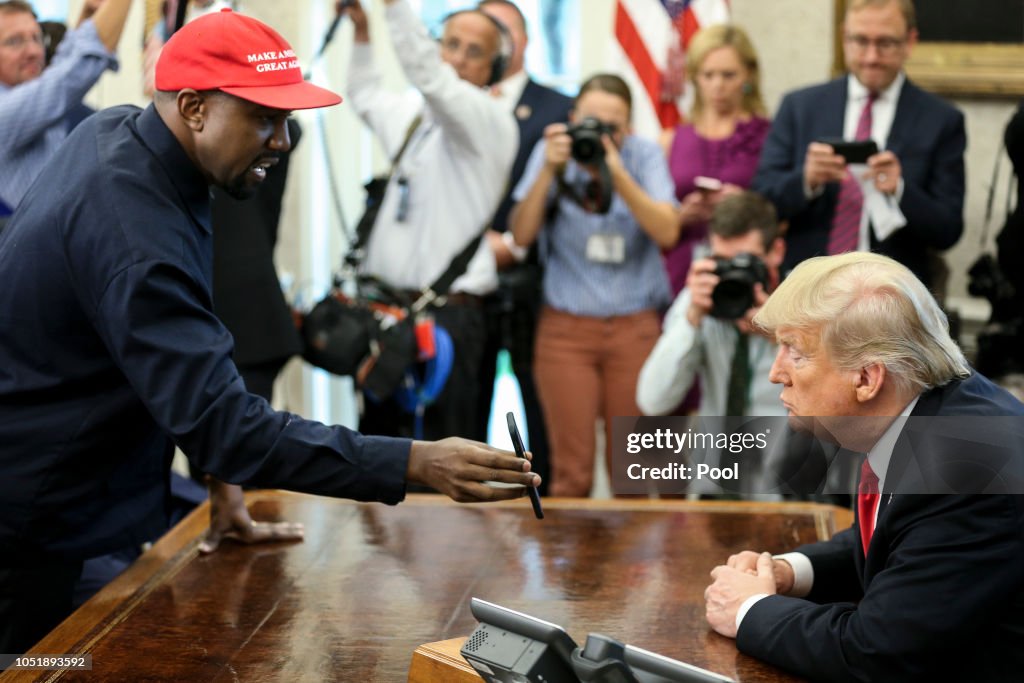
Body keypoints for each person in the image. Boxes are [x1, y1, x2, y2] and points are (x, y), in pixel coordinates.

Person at [0, 9, 539, 655]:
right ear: (195, 108)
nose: (282, 141)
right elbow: (225, 424)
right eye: (263, 117)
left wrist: (222, 482)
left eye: (285, 119)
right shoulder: (133, 235)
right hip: (29, 524)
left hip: (74, 493)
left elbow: (167, 352)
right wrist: (417, 460)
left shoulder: (120, 133)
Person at [703, 251, 1024, 681]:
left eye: (795, 353)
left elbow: (875, 653)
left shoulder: (969, 468)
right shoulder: (930, 407)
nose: (776, 373)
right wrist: (788, 573)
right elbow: (897, 539)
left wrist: (748, 609)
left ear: (867, 379)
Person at [340, 0, 517, 443]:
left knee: (446, 456)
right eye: (451, 43)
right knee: (380, 453)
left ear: (492, 69)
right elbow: (364, 94)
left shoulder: (490, 119)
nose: (457, 57)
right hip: (390, 316)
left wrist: (395, 8)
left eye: (473, 51)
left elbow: (430, 76)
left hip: (449, 321)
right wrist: (361, 33)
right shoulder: (415, 117)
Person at [510, 73, 678, 497]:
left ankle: (633, 567)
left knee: (633, 474)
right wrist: (549, 168)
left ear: (629, 128)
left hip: (634, 330)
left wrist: (616, 170)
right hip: (566, 332)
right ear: (572, 118)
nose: (600, 134)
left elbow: (667, 232)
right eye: (591, 122)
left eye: (612, 127)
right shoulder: (552, 154)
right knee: (571, 473)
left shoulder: (642, 155)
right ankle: (567, 565)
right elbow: (522, 235)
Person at [752, 0, 965, 292]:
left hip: (892, 297)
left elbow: (948, 230)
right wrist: (806, 180)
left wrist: (900, 189)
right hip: (808, 289)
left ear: (910, 41)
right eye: (861, 41)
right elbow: (761, 203)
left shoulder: (941, 120)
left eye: (886, 43)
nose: (871, 56)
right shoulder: (801, 107)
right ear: (844, 38)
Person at [475, 0, 573, 494]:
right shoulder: (457, 102)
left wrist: (514, 242)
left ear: (526, 38)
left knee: (540, 401)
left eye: (505, 28)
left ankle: (544, 500)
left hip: (532, 275)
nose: (497, 38)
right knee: (466, 399)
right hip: (465, 280)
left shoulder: (558, 107)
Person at [637, 191, 784, 419]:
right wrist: (691, 319)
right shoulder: (702, 296)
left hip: (786, 448)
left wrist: (783, 334)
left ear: (776, 252)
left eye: (745, 262)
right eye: (723, 261)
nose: (734, 274)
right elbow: (653, 401)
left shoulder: (806, 302)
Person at [659, 24, 770, 299]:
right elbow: (655, 214)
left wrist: (743, 205)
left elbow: (782, 207)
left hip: (745, 264)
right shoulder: (671, 139)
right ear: (695, 78)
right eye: (708, 75)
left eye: (728, 75)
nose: (718, 85)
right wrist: (681, 216)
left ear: (748, 76)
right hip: (683, 265)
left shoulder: (769, 135)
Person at [0, 0, 132, 216]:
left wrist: (89, 15)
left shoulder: (25, 89)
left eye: (37, 37)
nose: (34, 50)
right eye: (14, 41)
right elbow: (73, 73)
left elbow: (63, 65)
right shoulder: (4, 112)